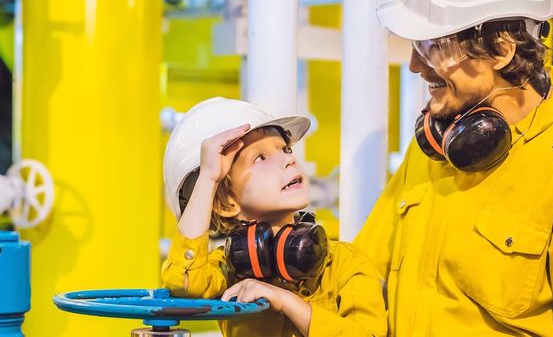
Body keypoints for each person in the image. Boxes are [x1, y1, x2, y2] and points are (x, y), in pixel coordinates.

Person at [354, 0, 553, 335]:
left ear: (501, 49)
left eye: (433, 46)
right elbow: (365, 275)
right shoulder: (437, 148)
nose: (415, 65)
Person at [161, 97, 387, 337]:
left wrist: (287, 302)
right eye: (260, 158)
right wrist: (208, 178)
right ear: (227, 204)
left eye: (285, 149)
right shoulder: (225, 271)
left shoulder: (346, 263)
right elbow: (183, 284)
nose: (288, 159)